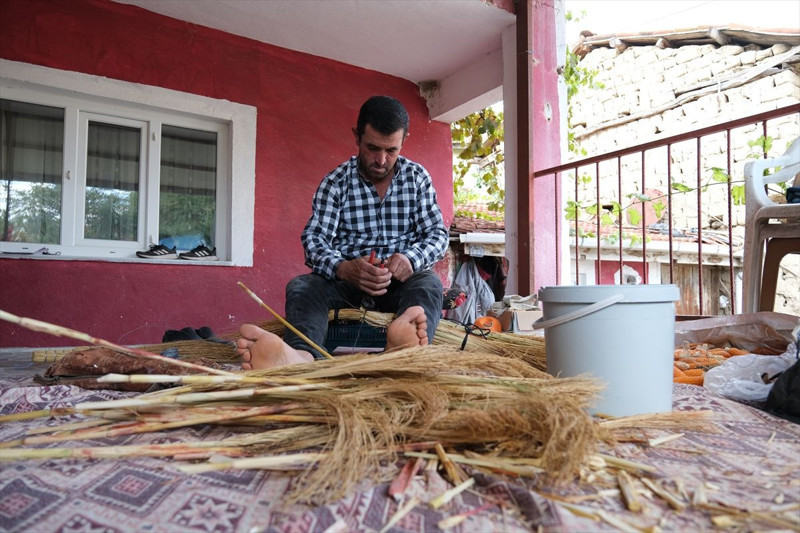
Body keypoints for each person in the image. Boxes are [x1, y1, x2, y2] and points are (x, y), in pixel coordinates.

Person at [238, 95, 449, 370]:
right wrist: (343, 268)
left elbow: (437, 235)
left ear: (404, 141)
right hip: (347, 285)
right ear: (356, 137)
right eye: (373, 148)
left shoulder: (417, 178)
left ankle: (404, 349)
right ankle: (301, 356)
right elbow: (314, 240)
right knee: (303, 287)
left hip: (400, 285)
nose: (381, 160)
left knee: (428, 284)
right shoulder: (336, 182)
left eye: (391, 150)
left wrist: (410, 259)